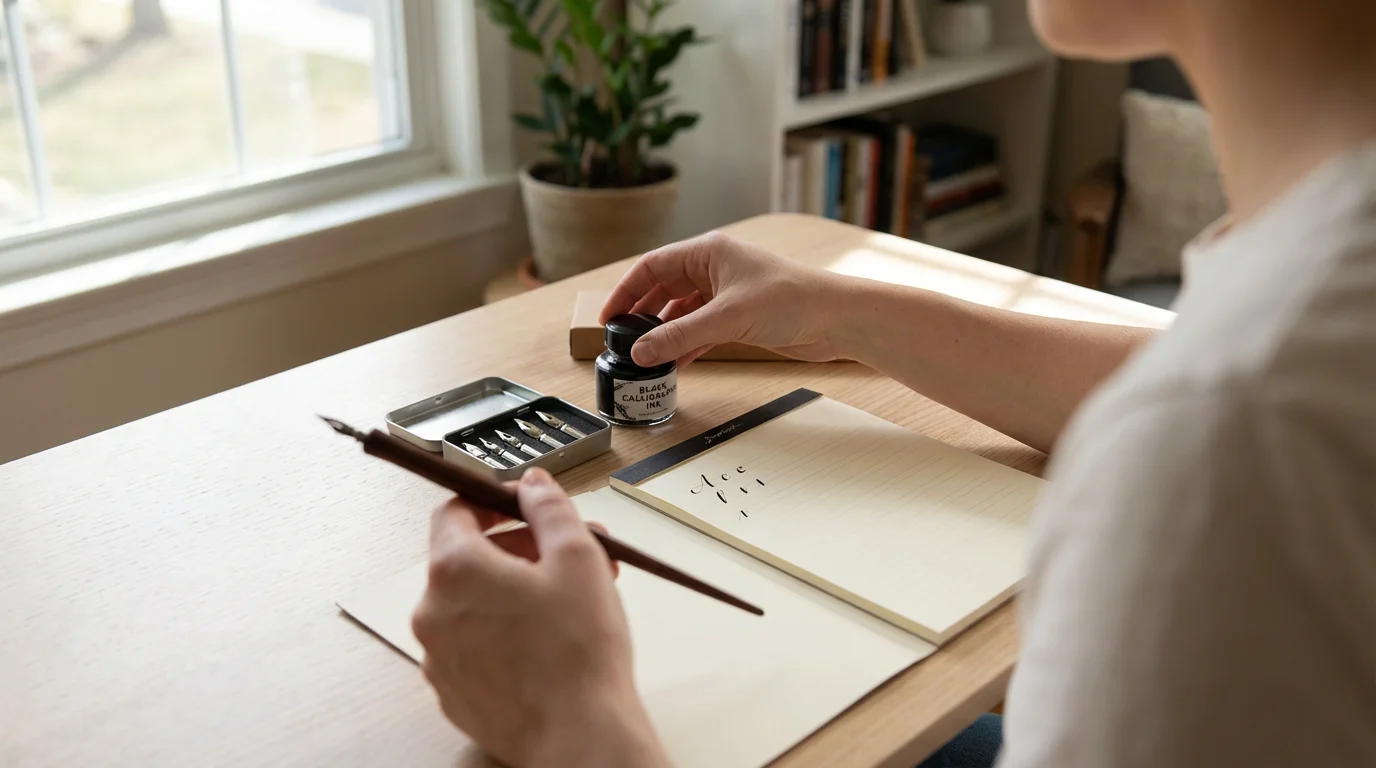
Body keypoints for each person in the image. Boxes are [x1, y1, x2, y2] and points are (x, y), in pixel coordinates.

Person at [409, 0, 1376, 764]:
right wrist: (840, 313)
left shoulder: (1241, 434)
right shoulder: (1313, 307)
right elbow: (1174, 375)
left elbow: (1213, 411)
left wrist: (579, 728)